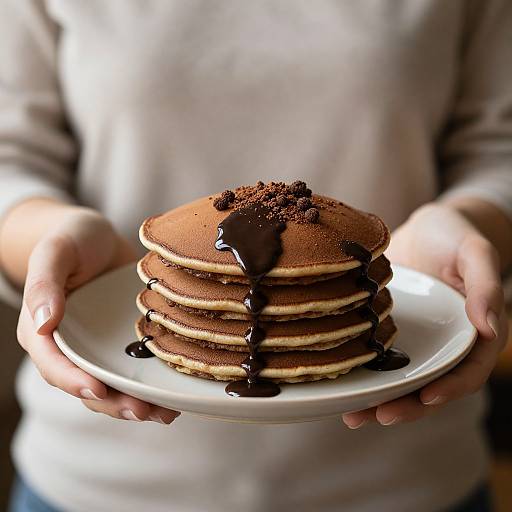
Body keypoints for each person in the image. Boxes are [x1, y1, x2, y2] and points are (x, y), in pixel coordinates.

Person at [1, 1, 511, 511]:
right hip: (97, 478)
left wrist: (474, 225)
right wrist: (51, 235)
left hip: (407, 479)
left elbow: (497, 147)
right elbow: (11, 154)